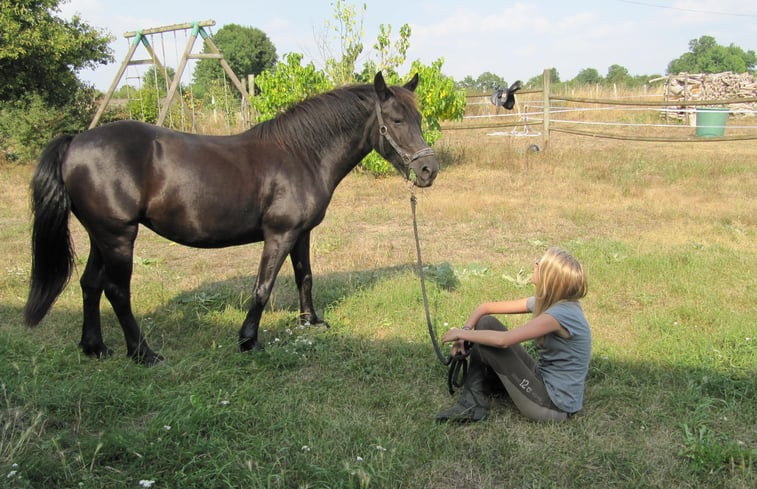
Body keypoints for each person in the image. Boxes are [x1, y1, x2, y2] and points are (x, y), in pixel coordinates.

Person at [437, 247, 591, 423]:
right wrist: (466, 331)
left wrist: (459, 333)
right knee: (486, 323)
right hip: (541, 380)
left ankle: (472, 405)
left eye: (539, 263)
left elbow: (503, 341)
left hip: (553, 405)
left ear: (549, 278)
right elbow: (485, 308)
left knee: (488, 340)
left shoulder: (560, 315)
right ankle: (482, 389)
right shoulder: (551, 303)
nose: (535, 263)